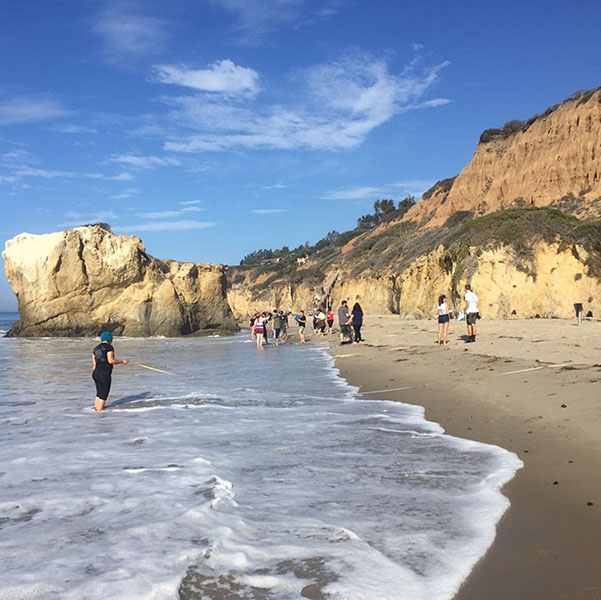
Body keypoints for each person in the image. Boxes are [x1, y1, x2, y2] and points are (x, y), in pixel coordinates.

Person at [92, 331, 129, 411]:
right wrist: (122, 361)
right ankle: (99, 415)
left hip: (95, 373)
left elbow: (94, 364)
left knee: (99, 393)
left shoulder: (95, 348)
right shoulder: (109, 347)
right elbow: (111, 360)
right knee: (104, 394)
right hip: (104, 373)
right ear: (110, 340)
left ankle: (95, 410)